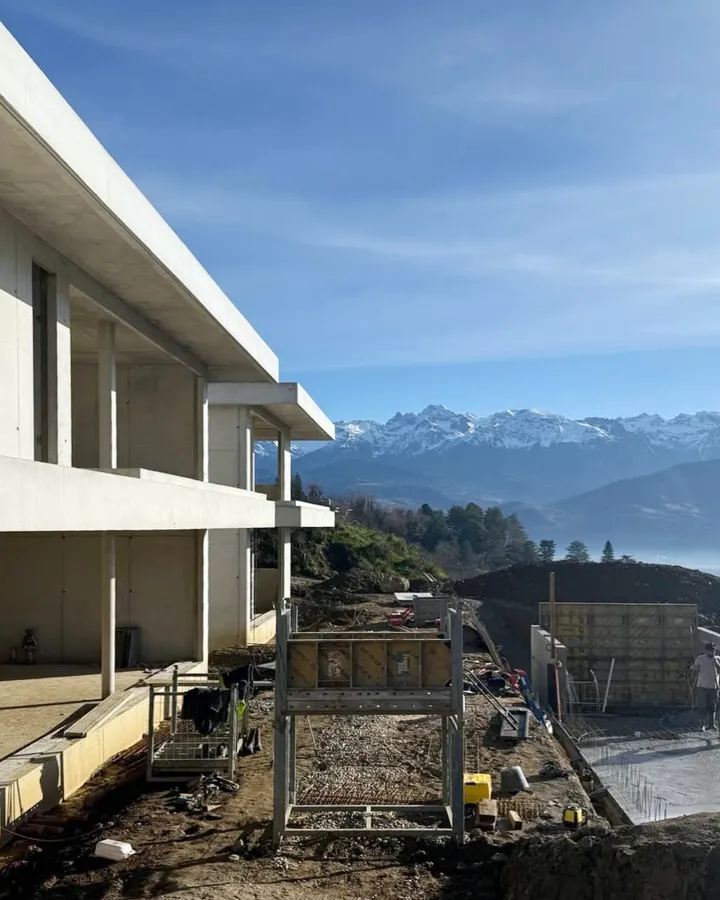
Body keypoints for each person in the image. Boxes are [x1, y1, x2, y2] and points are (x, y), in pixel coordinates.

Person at [691, 642, 720, 733]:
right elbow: (694, 670)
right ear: (706, 651)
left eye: (713, 651)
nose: (712, 653)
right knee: (702, 706)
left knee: (713, 706)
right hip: (702, 686)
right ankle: (702, 725)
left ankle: (711, 724)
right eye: (710, 651)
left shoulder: (717, 659)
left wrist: (716, 663)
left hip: (714, 686)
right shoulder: (700, 658)